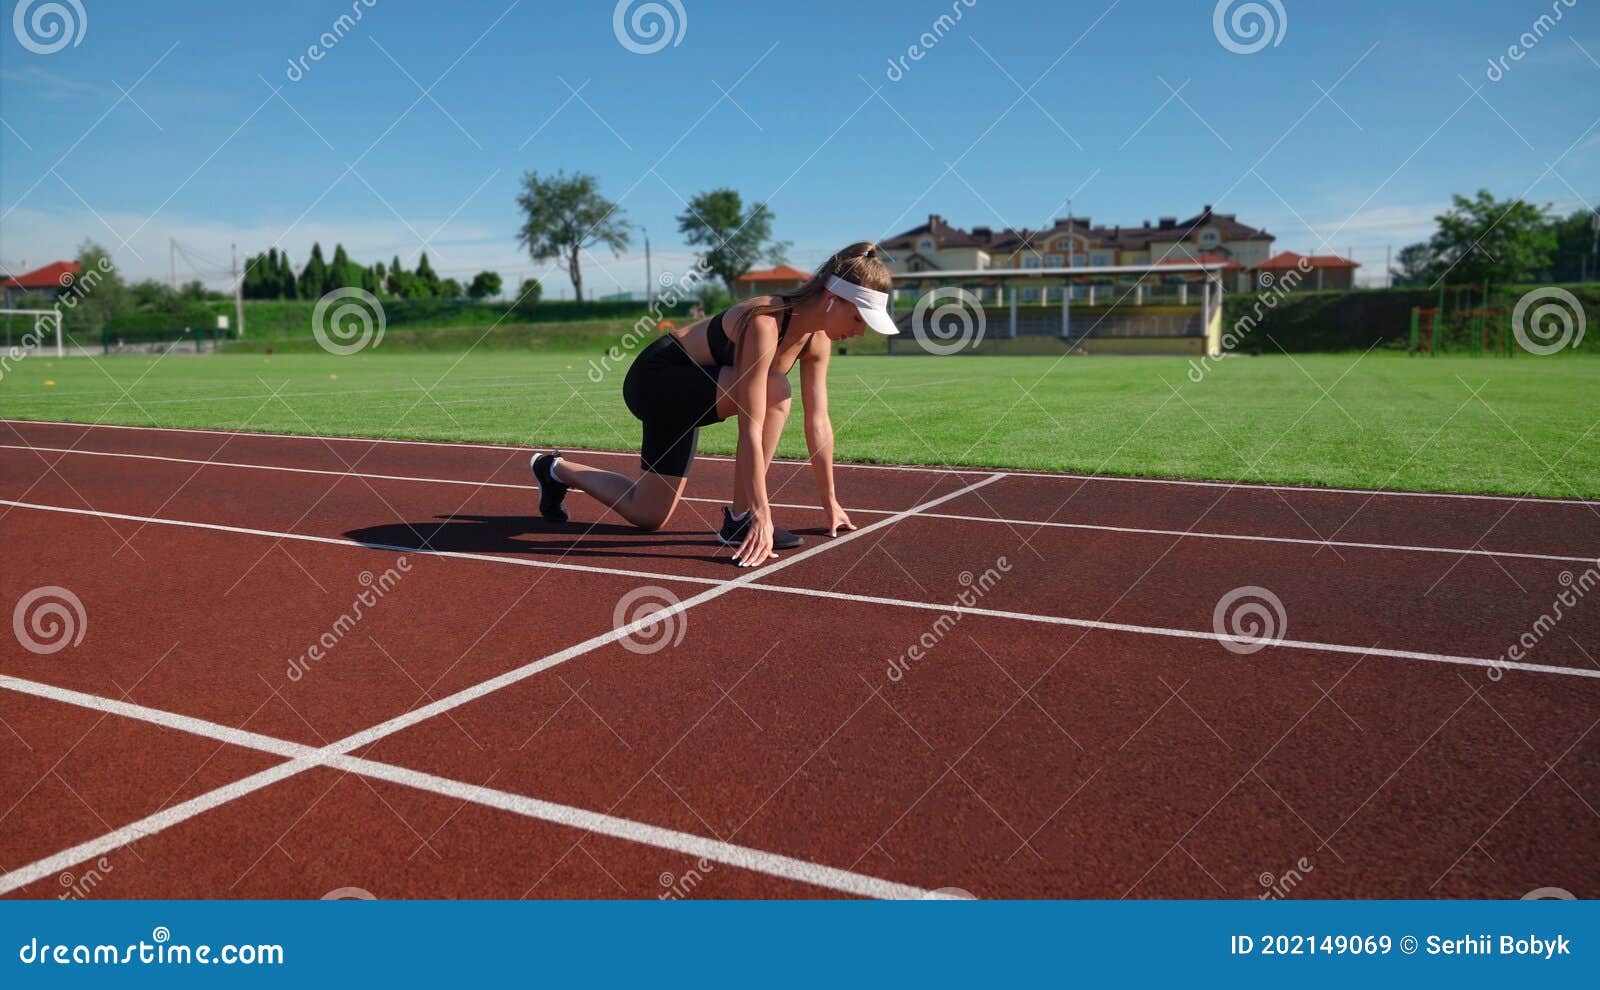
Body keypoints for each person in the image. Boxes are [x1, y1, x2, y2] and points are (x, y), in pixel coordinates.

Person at [531, 242, 900, 567]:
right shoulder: (766, 321)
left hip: (695, 398)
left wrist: (830, 501)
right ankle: (739, 518)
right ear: (833, 298)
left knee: (648, 514)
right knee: (777, 388)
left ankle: (554, 469)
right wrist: (759, 511)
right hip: (656, 381)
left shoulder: (818, 342)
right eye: (858, 317)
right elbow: (752, 425)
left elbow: (819, 423)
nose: (861, 330)